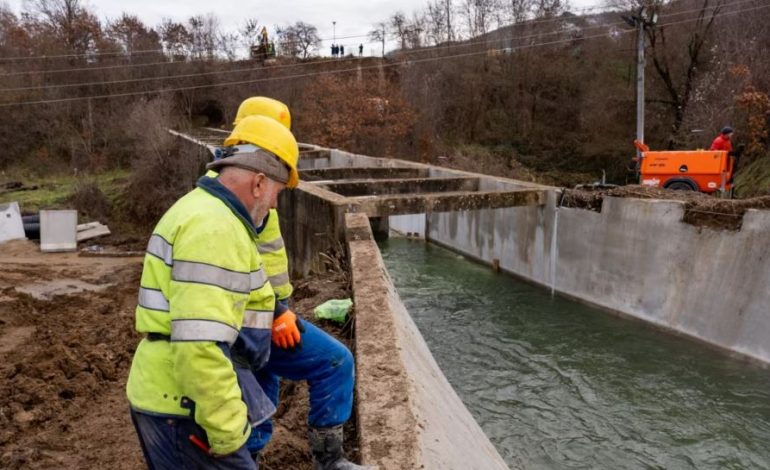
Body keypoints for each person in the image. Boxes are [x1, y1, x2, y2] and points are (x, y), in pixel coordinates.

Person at [126, 115, 300, 469]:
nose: (274, 205)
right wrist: (228, 433)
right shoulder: (215, 229)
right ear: (258, 183)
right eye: (277, 193)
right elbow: (199, 346)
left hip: (173, 398)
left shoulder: (202, 209)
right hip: (184, 405)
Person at [230, 97, 372, 470]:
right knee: (331, 363)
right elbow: (236, 264)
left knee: (264, 393)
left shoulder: (246, 188)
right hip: (253, 319)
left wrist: (280, 309)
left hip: (266, 315)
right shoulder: (238, 195)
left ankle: (318, 459)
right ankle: (324, 460)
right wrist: (277, 312)